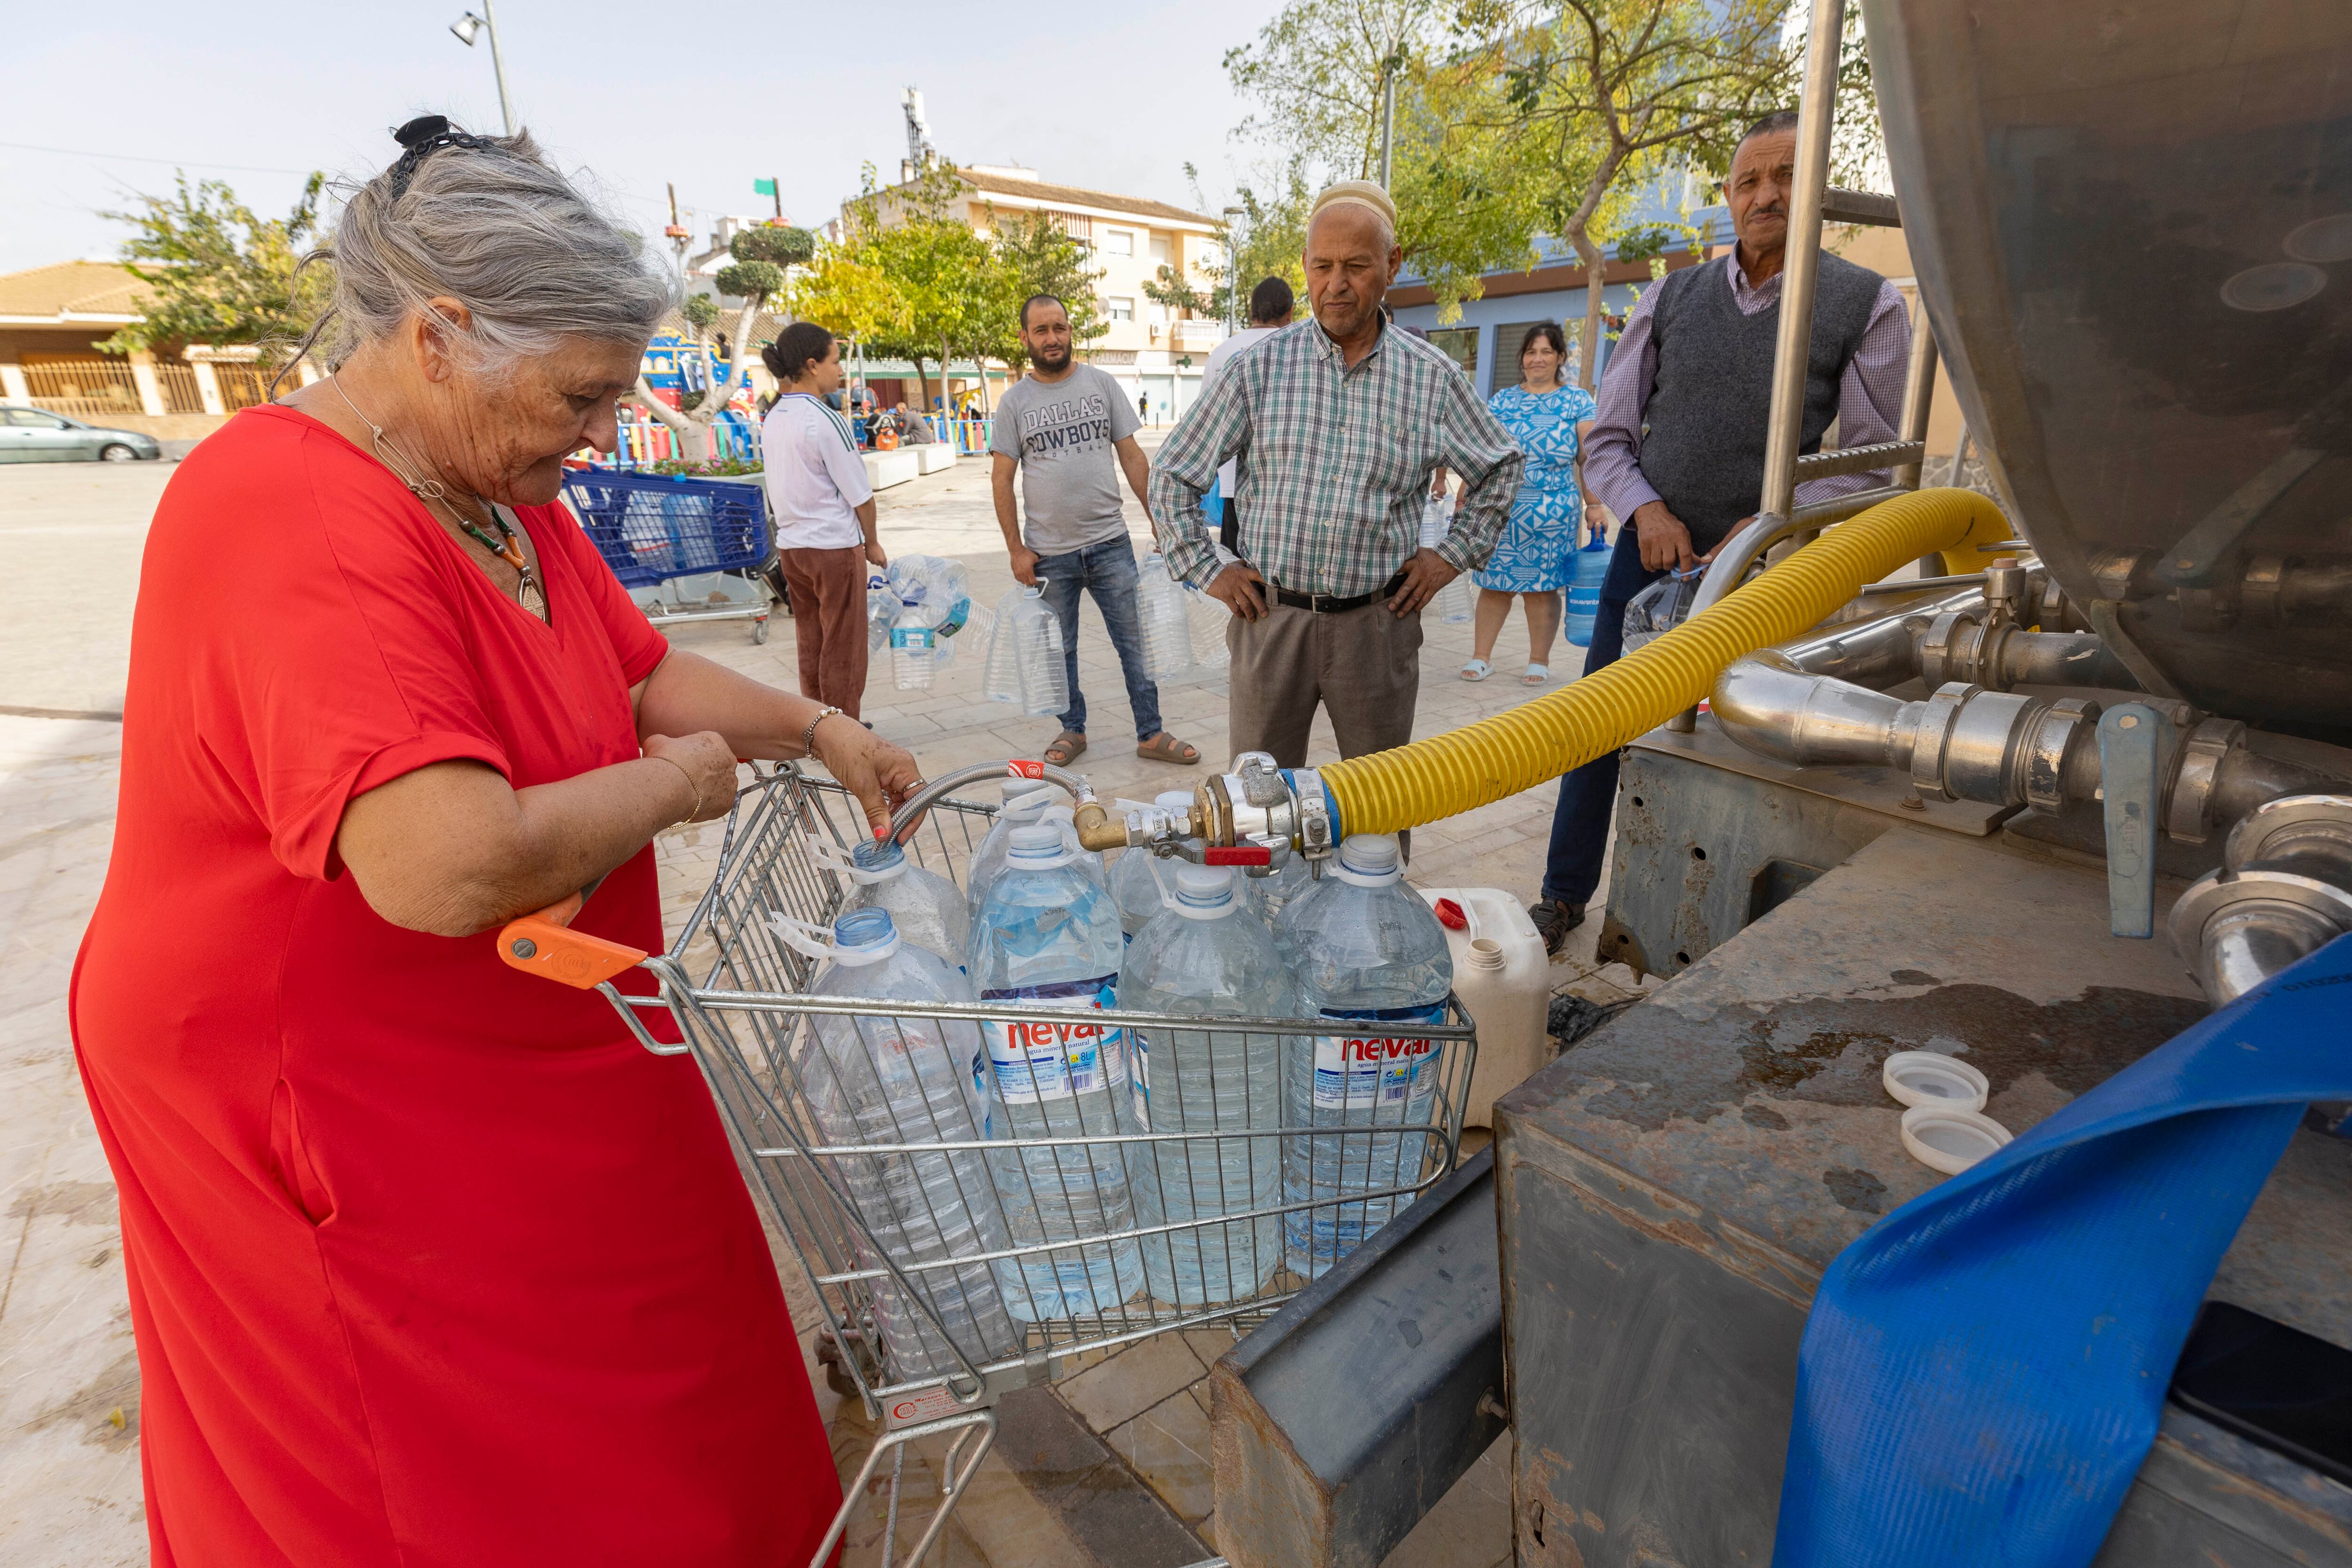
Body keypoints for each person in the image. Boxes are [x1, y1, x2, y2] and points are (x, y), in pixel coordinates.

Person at [70, 119, 930, 1566]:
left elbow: (638, 674)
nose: (603, 434)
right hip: (323, 1078)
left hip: (536, 1008)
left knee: (662, 1344)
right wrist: (677, 790)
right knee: (422, 1458)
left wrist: (810, 725)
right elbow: (442, 863)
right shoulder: (292, 506)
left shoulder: (492, 490)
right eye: (583, 394)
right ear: (439, 336)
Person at [1528, 108, 1913, 952]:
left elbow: (1874, 460)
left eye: (1786, 178)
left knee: (1760, 733)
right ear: (1729, 198)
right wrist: (1648, 510)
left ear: (1819, 193)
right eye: (1749, 181)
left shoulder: (1867, 303)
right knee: (1604, 720)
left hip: (1776, 568)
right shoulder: (1672, 296)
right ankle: (1562, 895)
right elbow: (1611, 439)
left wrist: (1779, 524)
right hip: (1651, 551)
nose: (1766, 195)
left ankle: (1730, 926)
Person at [1148, 180, 1524, 776]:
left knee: (1377, 805)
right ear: (1303, 265)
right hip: (1269, 624)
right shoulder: (1258, 368)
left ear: (1391, 265)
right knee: (1259, 816)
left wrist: (1449, 556)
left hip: (1377, 630)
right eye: (1321, 266)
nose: (1335, 284)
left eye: (1355, 265)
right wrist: (1207, 569)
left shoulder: (1431, 378)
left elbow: (1501, 466)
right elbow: (1170, 474)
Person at [990, 293, 1200, 768]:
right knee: (1058, 649)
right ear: (1025, 337)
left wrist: (1159, 523)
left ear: (1070, 331)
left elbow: (1132, 456)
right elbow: (1001, 479)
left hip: (1110, 545)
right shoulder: (1014, 403)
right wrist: (1015, 549)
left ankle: (1150, 732)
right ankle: (1072, 729)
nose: (1052, 338)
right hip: (1048, 555)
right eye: (1041, 330)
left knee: (1134, 643)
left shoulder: (1101, 384)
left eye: (1059, 328)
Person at [1463, 321, 1599, 687]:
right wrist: (1467, 494)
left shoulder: (1577, 401)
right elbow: (1483, 453)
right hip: (1504, 511)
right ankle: (1482, 658)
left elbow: (1589, 457)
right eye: (1530, 352)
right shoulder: (1502, 401)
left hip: (1554, 514)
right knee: (1493, 585)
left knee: (1542, 590)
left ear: (1559, 358)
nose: (1537, 359)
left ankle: (1539, 661)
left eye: (1546, 352)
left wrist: (1595, 503)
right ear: (1522, 358)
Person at [762, 320, 882, 719]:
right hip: (833, 546)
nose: (841, 370)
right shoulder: (824, 419)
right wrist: (873, 542)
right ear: (813, 365)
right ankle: (843, 728)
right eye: (835, 361)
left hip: (793, 548)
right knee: (843, 643)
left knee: (810, 639)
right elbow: (861, 496)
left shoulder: (775, 416)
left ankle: (815, 725)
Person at [1202, 275, 1296, 553]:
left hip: (1233, 486)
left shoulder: (1220, 355)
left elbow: (1205, 426)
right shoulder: (1295, 350)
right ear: (1290, 313)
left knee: (1239, 575)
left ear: (1251, 310)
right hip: (1286, 486)